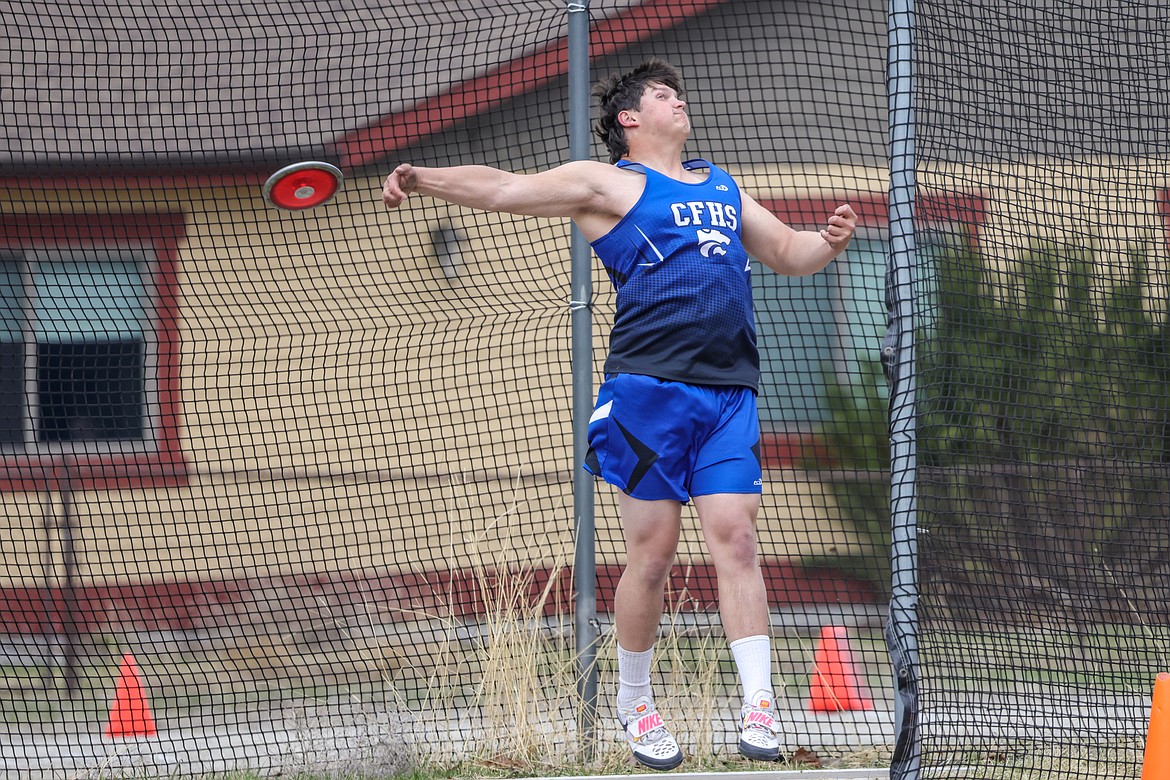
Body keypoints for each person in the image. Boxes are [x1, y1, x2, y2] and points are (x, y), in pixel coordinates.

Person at [383, 57, 857, 769]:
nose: (678, 100)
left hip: (729, 392)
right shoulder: (609, 184)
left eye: (679, 92)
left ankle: (760, 710)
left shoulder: (722, 183)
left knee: (737, 539)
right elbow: (506, 189)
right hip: (647, 392)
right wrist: (424, 178)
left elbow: (789, 252)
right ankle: (635, 703)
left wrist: (831, 241)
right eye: (663, 94)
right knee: (654, 553)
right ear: (630, 119)